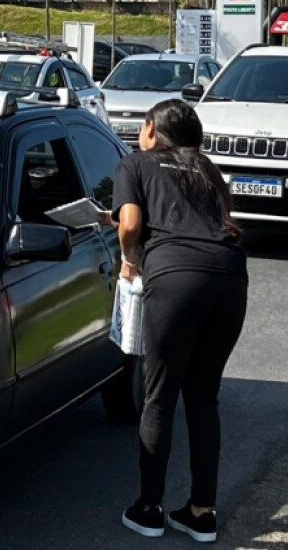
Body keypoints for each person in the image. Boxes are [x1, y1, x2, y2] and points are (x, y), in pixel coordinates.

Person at [110, 99, 248, 544]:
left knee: (160, 395)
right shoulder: (208, 172)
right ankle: (202, 512)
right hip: (229, 277)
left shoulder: (136, 163)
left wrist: (129, 260)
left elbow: (130, 223)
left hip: (174, 279)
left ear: (150, 128)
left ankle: (149, 508)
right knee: (204, 398)